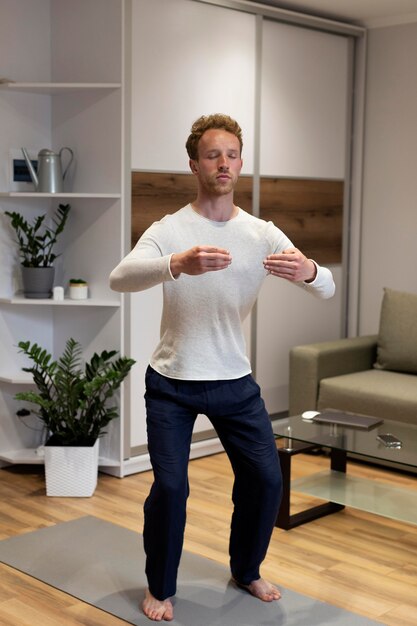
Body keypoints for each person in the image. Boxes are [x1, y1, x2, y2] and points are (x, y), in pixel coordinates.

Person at [109, 113, 335, 622]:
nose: (224, 163)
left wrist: (311, 270)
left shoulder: (260, 233)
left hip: (234, 382)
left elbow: (327, 289)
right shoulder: (170, 230)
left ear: (240, 163)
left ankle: (246, 569)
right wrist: (176, 264)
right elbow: (119, 278)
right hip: (172, 382)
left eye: (232, 154)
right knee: (170, 487)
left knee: (266, 480)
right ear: (195, 164)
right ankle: (160, 586)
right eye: (213, 154)